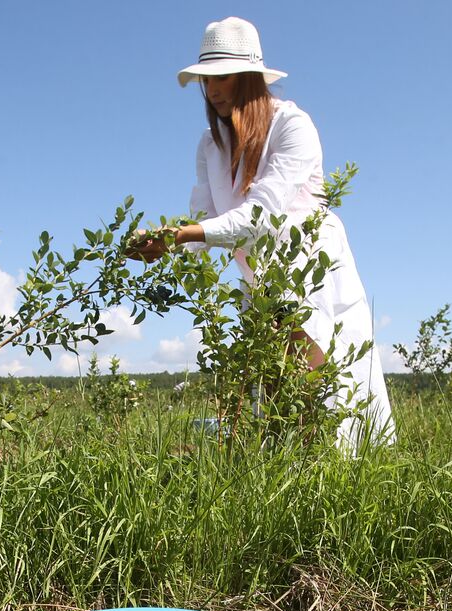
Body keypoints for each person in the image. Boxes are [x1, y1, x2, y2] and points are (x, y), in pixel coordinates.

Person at [130, 16, 395, 453]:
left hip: (309, 275)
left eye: (223, 76)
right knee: (273, 405)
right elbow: (204, 222)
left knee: (318, 400)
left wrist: (178, 235)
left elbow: (261, 218)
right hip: (262, 283)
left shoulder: (293, 127)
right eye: (205, 79)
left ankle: (332, 497)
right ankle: (284, 504)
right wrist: (166, 242)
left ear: (250, 76)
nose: (212, 89)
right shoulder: (211, 147)